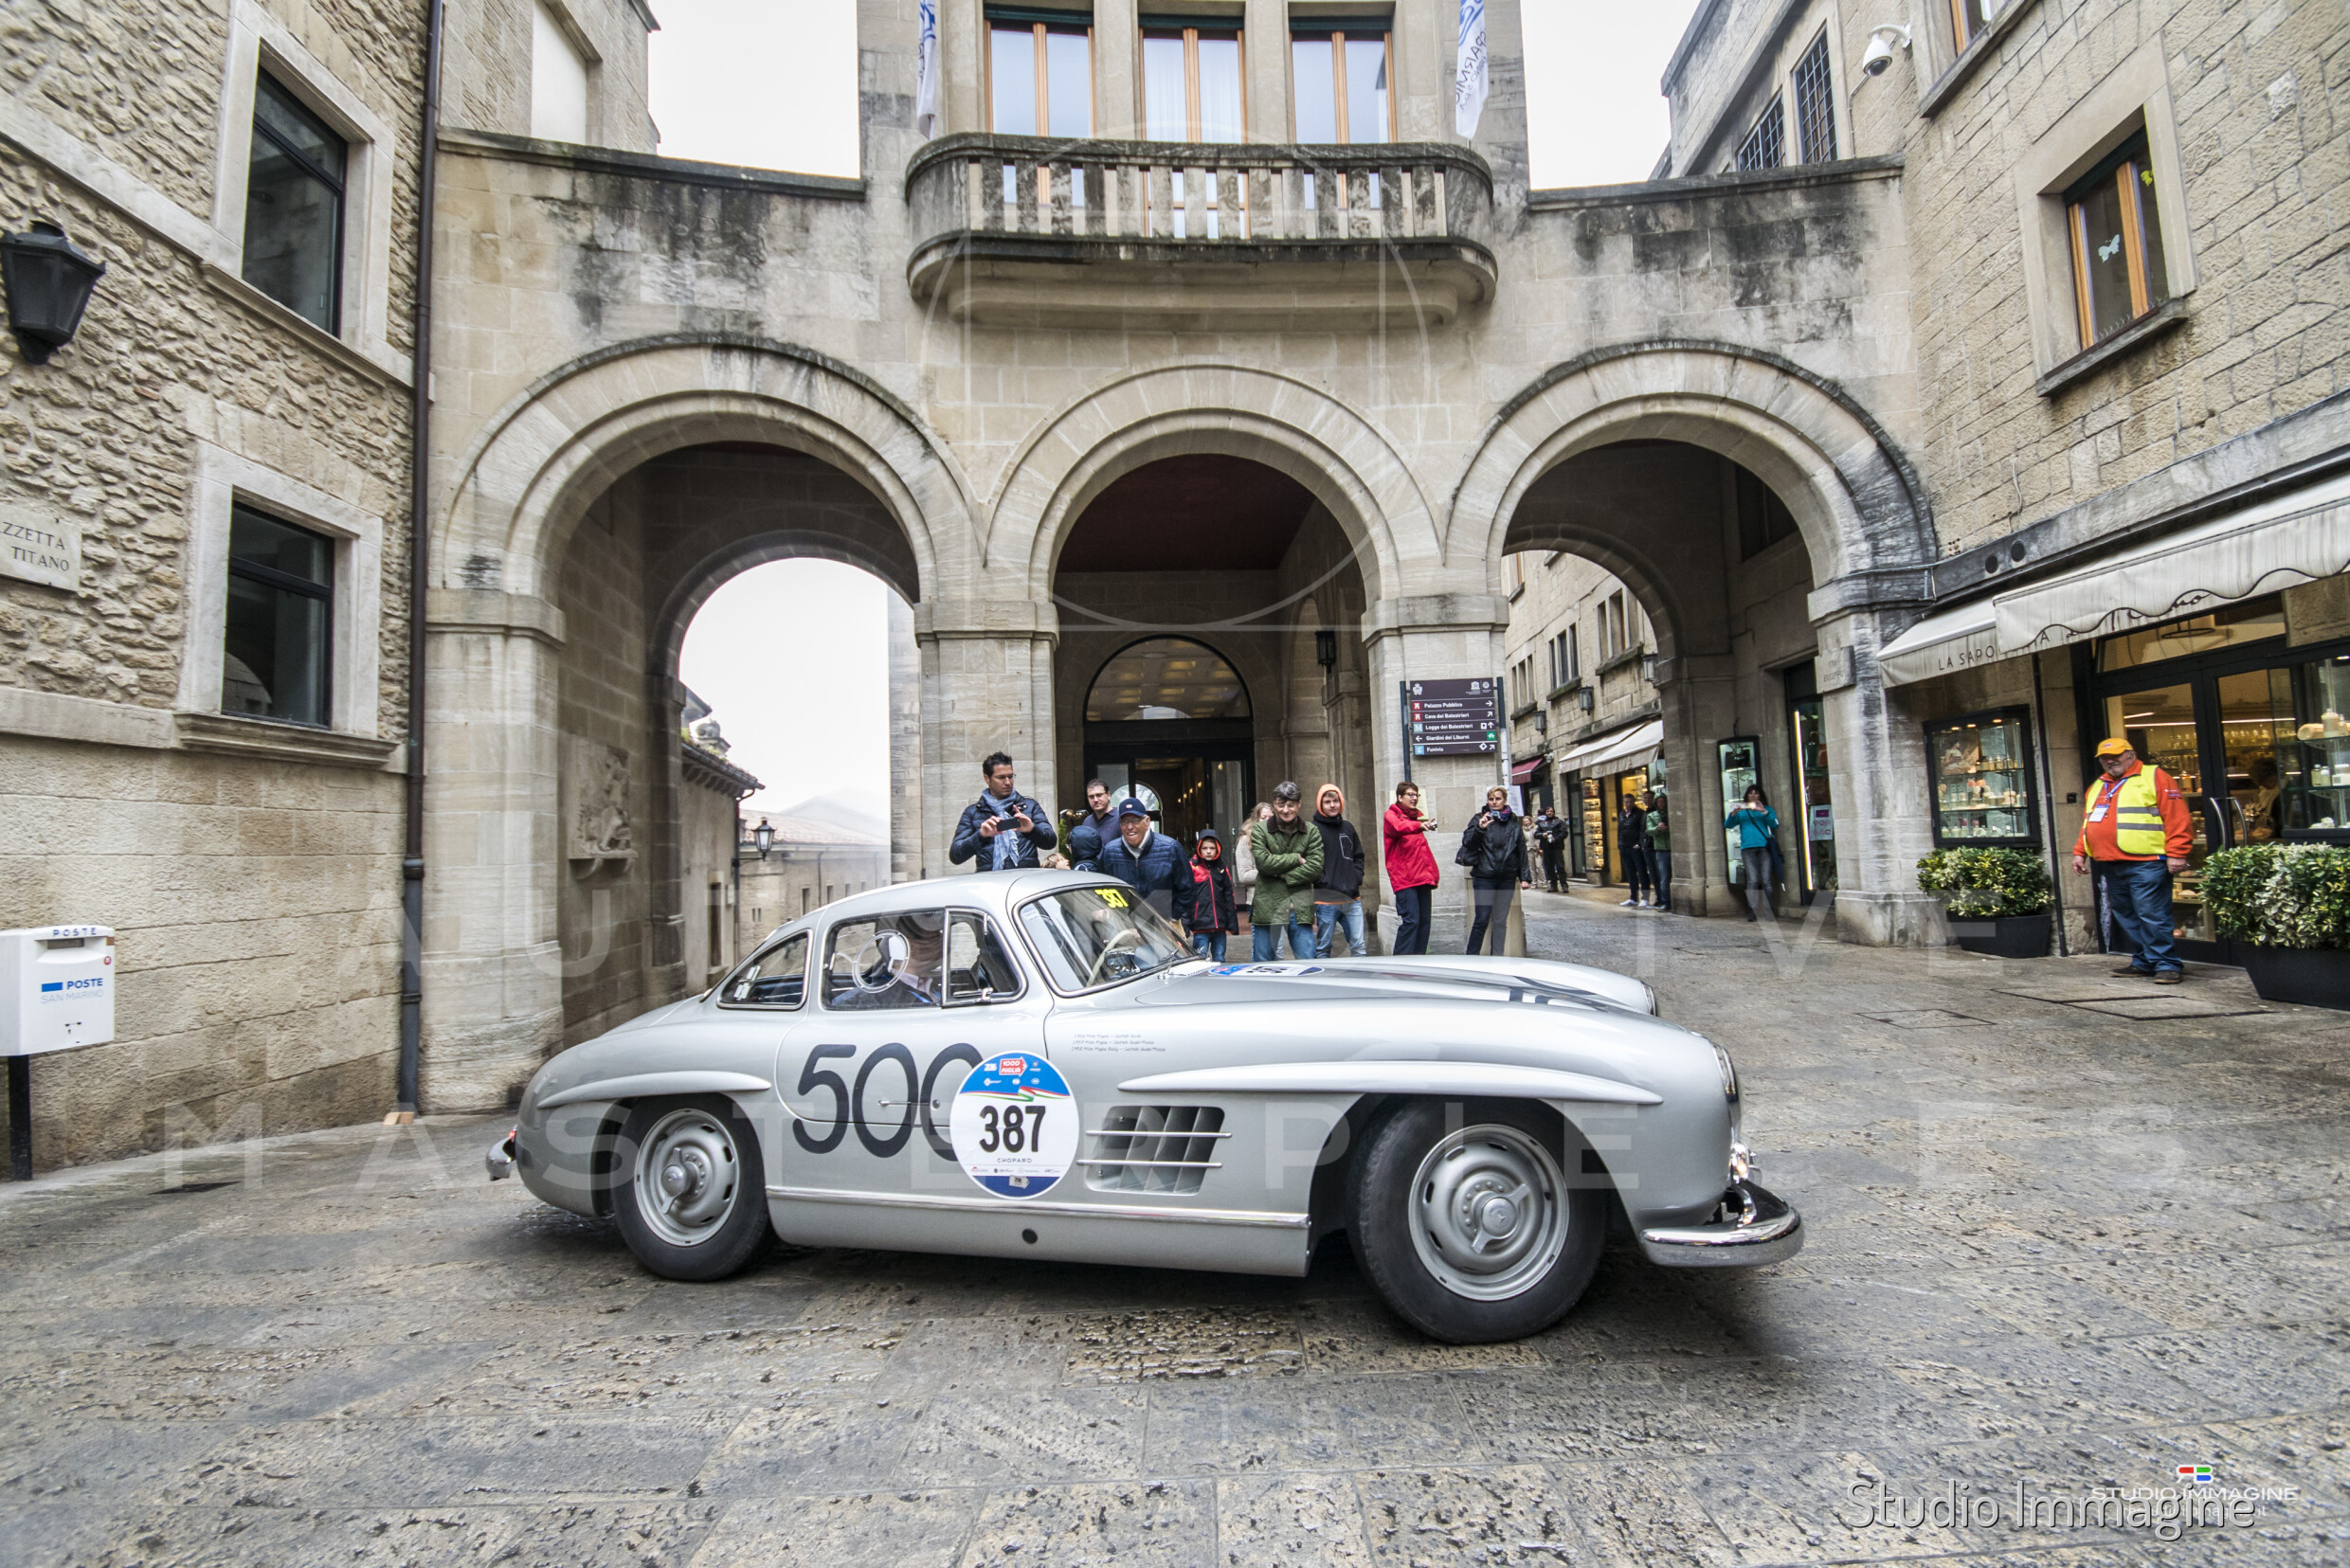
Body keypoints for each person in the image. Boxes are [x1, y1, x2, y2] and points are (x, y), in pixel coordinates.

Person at [2072, 736, 2192, 983]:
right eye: (2105, 758)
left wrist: (2177, 853)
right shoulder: (2099, 785)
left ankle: (2166, 964)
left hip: (2147, 861)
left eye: (2115, 756)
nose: (2110, 761)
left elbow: (2177, 817)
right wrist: (2079, 852)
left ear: (2131, 755)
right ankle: (2145, 960)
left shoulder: (2155, 777)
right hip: (2110, 862)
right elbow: (2088, 823)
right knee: (2126, 914)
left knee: (2151, 913)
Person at [1248, 782, 1324, 960]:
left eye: (1291, 805)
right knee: (1264, 965)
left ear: (1299, 804)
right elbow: (1263, 864)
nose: (1285, 810)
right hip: (1267, 906)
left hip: (1299, 907)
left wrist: (1281, 874)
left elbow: (1315, 868)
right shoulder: (1260, 830)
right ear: (1274, 805)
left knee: (1307, 963)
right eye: (1281, 805)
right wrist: (1296, 859)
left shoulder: (1311, 831)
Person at [1094, 797, 1196, 925]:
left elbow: (1187, 889)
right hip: (1126, 926)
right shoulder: (1110, 852)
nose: (1129, 826)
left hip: (1164, 926)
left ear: (1147, 821)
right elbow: (1103, 889)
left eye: (1135, 820)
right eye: (1124, 821)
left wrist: (1174, 918)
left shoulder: (1170, 848)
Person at [949, 752, 1058, 872]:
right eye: (1001, 777)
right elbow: (955, 856)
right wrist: (980, 836)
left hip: (1025, 878)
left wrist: (1032, 829)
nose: (1008, 782)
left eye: (1010, 776)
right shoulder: (973, 812)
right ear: (987, 779)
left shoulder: (1029, 806)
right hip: (990, 880)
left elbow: (1051, 842)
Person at [1457, 785, 1529, 955]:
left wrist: (1525, 877)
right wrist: (1480, 829)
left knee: (1500, 921)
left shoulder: (1513, 821)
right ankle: (1472, 957)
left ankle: (1497, 958)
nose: (1494, 802)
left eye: (1498, 799)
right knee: (1481, 919)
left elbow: (1521, 849)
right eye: (1491, 799)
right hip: (1484, 877)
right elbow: (1467, 842)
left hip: (1507, 877)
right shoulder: (1479, 818)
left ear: (1504, 800)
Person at [1307, 784, 1367, 958]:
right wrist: (1323, 881)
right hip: (1326, 900)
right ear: (1320, 804)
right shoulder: (1313, 830)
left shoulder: (1348, 827)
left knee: (1359, 946)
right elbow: (1309, 861)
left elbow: (1358, 856)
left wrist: (1356, 878)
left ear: (1341, 803)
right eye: (1327, 802)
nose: (1332, 805)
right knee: (1324, 947)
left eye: (1336, 801)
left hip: (1351, 898)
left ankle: (1363, 974)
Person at [1383, 781, 1439, 956]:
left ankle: (1418, 962)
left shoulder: (1414, 820)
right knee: (1412, 922)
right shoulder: (1391, 815)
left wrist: (1433, 875)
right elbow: (1398, 827)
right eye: (1410, 795)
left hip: (1422, 879)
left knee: (1424, 923)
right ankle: (1400, 964)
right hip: (1405, 881)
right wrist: (1419, 826)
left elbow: (1422, 854)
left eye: (1416, 795)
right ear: (1400, 797)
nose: (1414, 798)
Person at [1725, 785, 1781, 921]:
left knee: (1766, 880)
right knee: (1753, 880)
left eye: (1756, 793)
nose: (1753, 796)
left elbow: (1775, 824)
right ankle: (1752, 911)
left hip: (1764, 847)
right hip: (1747, 848)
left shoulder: (1767, 809)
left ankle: (1769, 911)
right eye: (1751, 793)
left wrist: (1763, 812)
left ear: (1760, 795)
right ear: (1747, 796)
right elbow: (1728, 825)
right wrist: (1733, 814)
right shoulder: (1743, 811)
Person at [1184, 827, 1239, 962]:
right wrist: (1185, 923)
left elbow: (1229, 896)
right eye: (1205, 848)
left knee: (1220, 958)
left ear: (1217, 849)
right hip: (1200, 925)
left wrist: (1232, 923)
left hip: (1219, 925)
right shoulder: (1192, 867)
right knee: (1200, 960)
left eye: (1212, 848)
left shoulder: (1222, 868)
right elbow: (1185, 896)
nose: (1208, 851)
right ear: (1199, 848)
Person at [1233, 801, 1272, 935]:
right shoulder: (1246, 841)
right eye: (1263, 817)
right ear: (1256, 819)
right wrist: (1272, 871)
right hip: (1258, 901)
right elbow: (1244, 875)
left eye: (1271, 817)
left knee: (1278, 945)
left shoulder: (1279, 838)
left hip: (1278, 900)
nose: (1267, 821)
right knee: (1261, 944)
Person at [1068, 778, 1118, 870]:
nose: (1095, 800)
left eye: (1099, 795)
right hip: (1092, 872)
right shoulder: (1087, 821)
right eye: (1091, 797)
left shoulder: (1120, 818)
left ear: (1108, 795)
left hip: (1114, 872)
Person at [1617, 794, 1654, 909]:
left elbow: (1643, 830)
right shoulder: (1622, 814)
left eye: (1630, 802)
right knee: (1630, 873)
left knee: (1642, 872)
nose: (1628, 804)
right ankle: (1633, 898)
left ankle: (1645, 898)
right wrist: (1620, 844)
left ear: (1634, 802)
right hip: (1625, 847)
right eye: (1626, 802)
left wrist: (1638, 844)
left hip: (1635, 847)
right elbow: (1620, 830)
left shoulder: (1640, 813)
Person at [1645, 787, 1672, 910]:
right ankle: (1665, 901)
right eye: (1659, 801)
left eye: (1663, 801)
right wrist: (1657, 828)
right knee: (1664, 877)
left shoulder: (1670, 813)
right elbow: (1649, 830)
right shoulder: (1651, 815)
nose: (1661, 803)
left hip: (1672, 847)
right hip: (1660, 849)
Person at [1534, 806, 1569, 892]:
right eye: (1548, 811)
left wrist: (1556, 839)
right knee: (1549, 867)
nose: (1549, 813)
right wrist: (1542, 835)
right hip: (1546, 848)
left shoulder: (1559, 822)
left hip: (1557, 847)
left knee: (1560, 866)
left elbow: (1564, 833)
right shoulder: (1542, 823)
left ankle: (1564, 884)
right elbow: (1536, 834)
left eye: (1551, 811)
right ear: (1545, 812)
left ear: (1553, 812)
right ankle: (1553, 884)